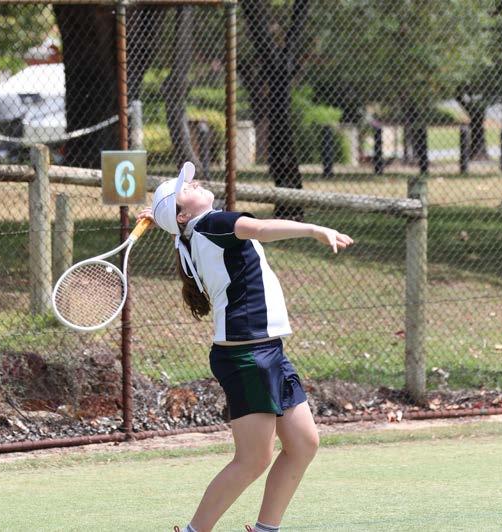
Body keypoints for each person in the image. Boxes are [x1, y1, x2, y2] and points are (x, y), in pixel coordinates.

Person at [136, 162, 354, 532]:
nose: (194, 182)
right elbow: (261, 229)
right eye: (186, 187)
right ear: (183, 214)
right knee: (253, 459)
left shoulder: (190, 235)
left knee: (303, 444)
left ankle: (266, 529)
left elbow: (181, 226)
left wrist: (163, 219)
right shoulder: (213, 224)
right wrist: (314, 229)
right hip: (247, 355)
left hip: (265, 350)